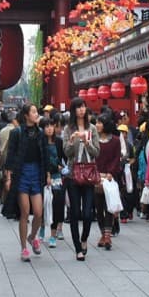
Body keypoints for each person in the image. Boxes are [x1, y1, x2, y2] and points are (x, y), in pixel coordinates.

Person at [3, 103, 49, 261]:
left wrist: (48, 174)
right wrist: (8, 177)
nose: (36, 114)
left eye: (36, 112)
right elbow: (10, 156)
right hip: (21, 173)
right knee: (24, 212)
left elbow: (45, 155)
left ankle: (32, 236)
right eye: (34, 112)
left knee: (38, 213)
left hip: (37, 172)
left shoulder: (41, 133)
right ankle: (23, 248)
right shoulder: (16, 132)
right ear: (26, 115)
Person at [62, 97, 100, 261]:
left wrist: (87, 142)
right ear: (73, 110)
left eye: (83, 106)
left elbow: (97, 152)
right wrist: (72, 142)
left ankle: (84, 238)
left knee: (87, 213)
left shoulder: (92, 128)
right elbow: (66, 152)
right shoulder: (68, 129)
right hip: (73, 174)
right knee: (75, 212)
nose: (81, 110)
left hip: (89, 174)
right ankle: (78, 248)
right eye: (78, 107)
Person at [94, 116, 123, 250]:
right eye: (97, 122)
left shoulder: (116, 141)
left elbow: (117, 158)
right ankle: (103, 234)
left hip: (110, 178)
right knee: (98, 208)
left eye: (99, 122)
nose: (97, 125)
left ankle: (107, 236)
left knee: (109, 207)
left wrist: (110, 173)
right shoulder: (94, 140)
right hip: (96, 177)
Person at [43, 116, 67, 247]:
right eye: (46, 126)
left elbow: (64, 158)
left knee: (57, 204)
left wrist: (63, 167)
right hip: (43, 177)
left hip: (57, 178)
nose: (49, 128)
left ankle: (53, 235)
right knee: (43, 204)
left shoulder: (58, 141)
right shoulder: (40, 142)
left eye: (51, 126)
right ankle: (41, 227)